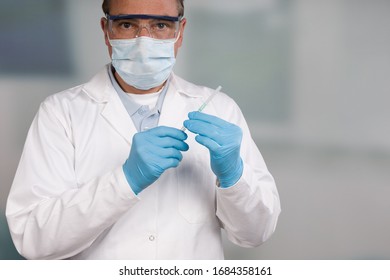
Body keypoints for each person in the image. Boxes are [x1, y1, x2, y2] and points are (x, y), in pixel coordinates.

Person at [6, 0, 281, 260]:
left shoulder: (220, 109)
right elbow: (32, 239)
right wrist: (125, 181)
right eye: (128, 25)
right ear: (106, 30)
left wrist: (234, 177)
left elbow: (255, 233)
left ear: (180, 32)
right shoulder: (61, 113)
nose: (144, 40)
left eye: (160, 25)